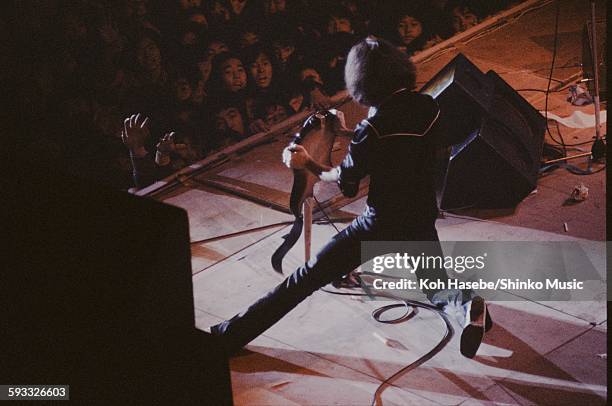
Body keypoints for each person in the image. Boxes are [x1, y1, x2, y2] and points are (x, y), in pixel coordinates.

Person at [210, 37, 492, 358]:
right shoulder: (428, 107)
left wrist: (307, 161)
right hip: (421, 216)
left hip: (379, 225)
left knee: (304, 279)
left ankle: (229, 334)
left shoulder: (372, 127)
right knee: (437, 286)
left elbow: (345, 182)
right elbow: (404, 146)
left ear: (362, 81)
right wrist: (346, 135)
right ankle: (470, 308)